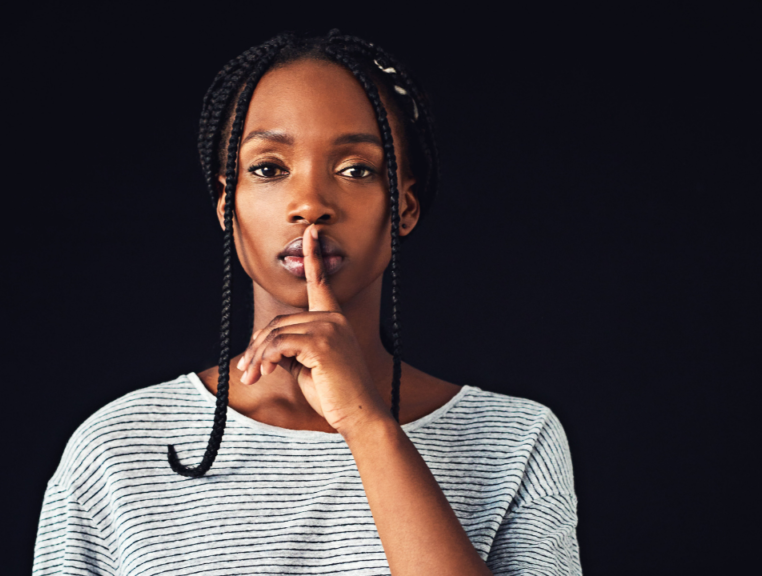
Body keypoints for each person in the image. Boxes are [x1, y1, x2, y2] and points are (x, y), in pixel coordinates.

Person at [33, 30, 581, 576]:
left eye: (356, 170)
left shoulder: (515, 440)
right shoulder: (119, 446)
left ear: (405, 208)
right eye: (269, 168)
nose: (311, 204)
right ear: (228, 205)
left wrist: (367, 425)